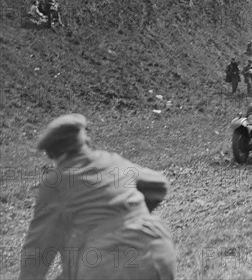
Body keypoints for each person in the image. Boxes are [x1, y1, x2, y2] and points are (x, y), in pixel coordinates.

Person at [19, 114, 176, 280]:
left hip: (109, 260)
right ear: (86, 142)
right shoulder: (112, 161)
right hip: (157, 246)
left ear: (53, 154)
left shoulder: (56, 182)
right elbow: (160, 185)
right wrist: (129, 213)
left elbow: (38, 246)